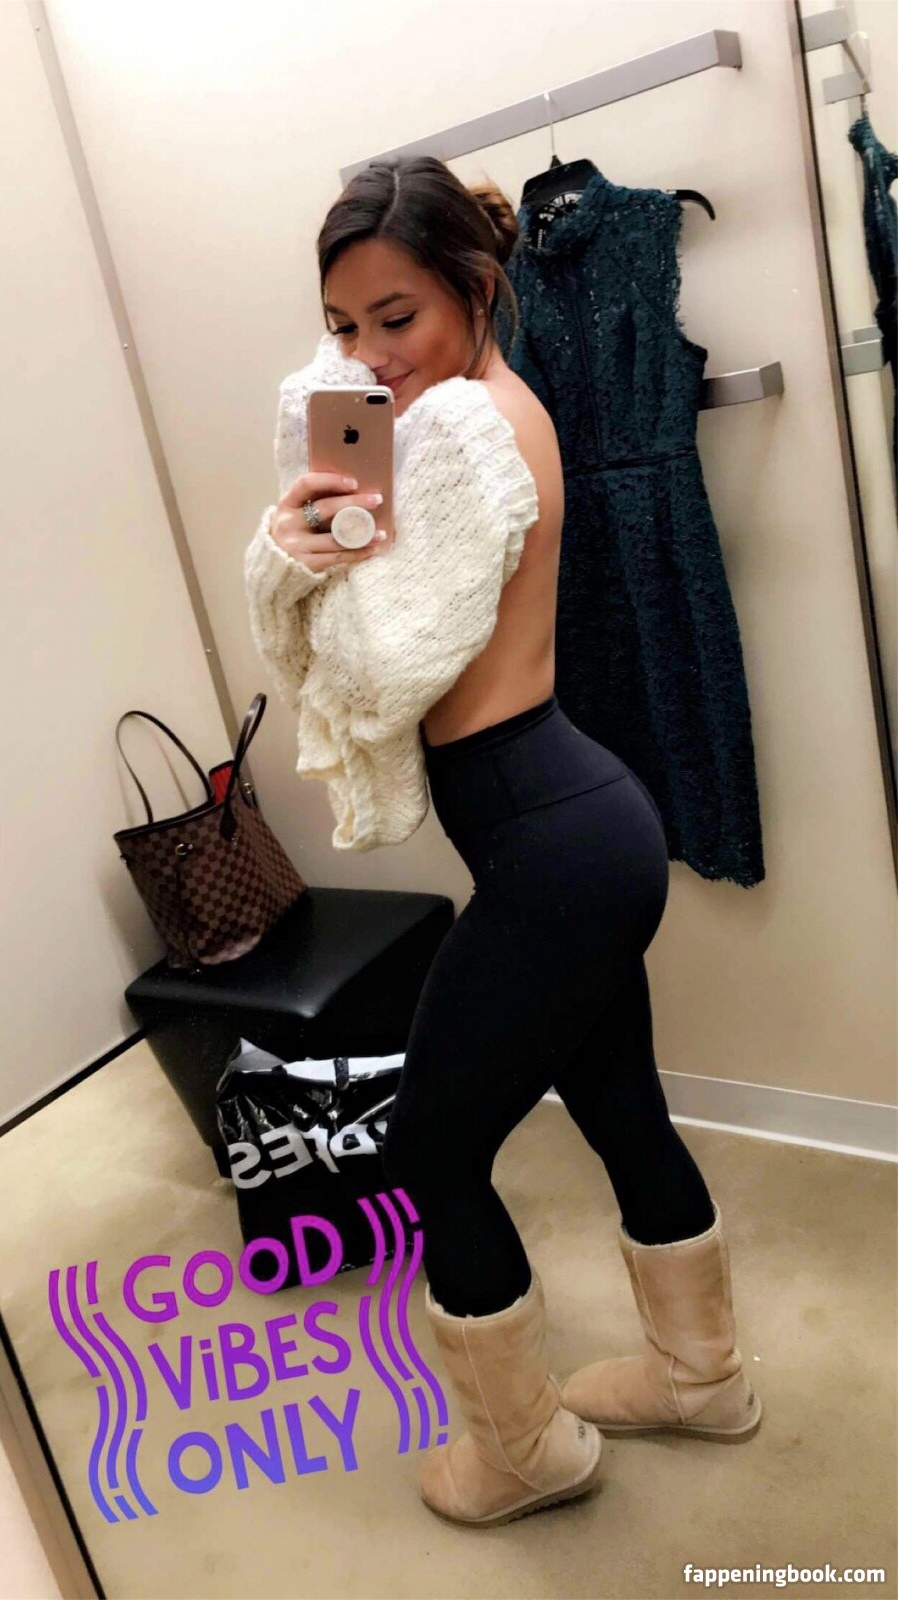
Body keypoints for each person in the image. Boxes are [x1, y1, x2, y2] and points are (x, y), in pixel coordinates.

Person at [264, 156, 762, 1528]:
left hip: (555, 842)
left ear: (476, 289)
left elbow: (384, 668)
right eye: (344, 324)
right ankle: (701, 1379)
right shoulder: (478, 407)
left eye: (398, 317)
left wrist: (303, 552)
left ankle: (521, 1452)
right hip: (574, 824)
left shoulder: (463, 428)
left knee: (432, 1151)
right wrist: (330, 514)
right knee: (619, 1105)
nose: (369, 354)